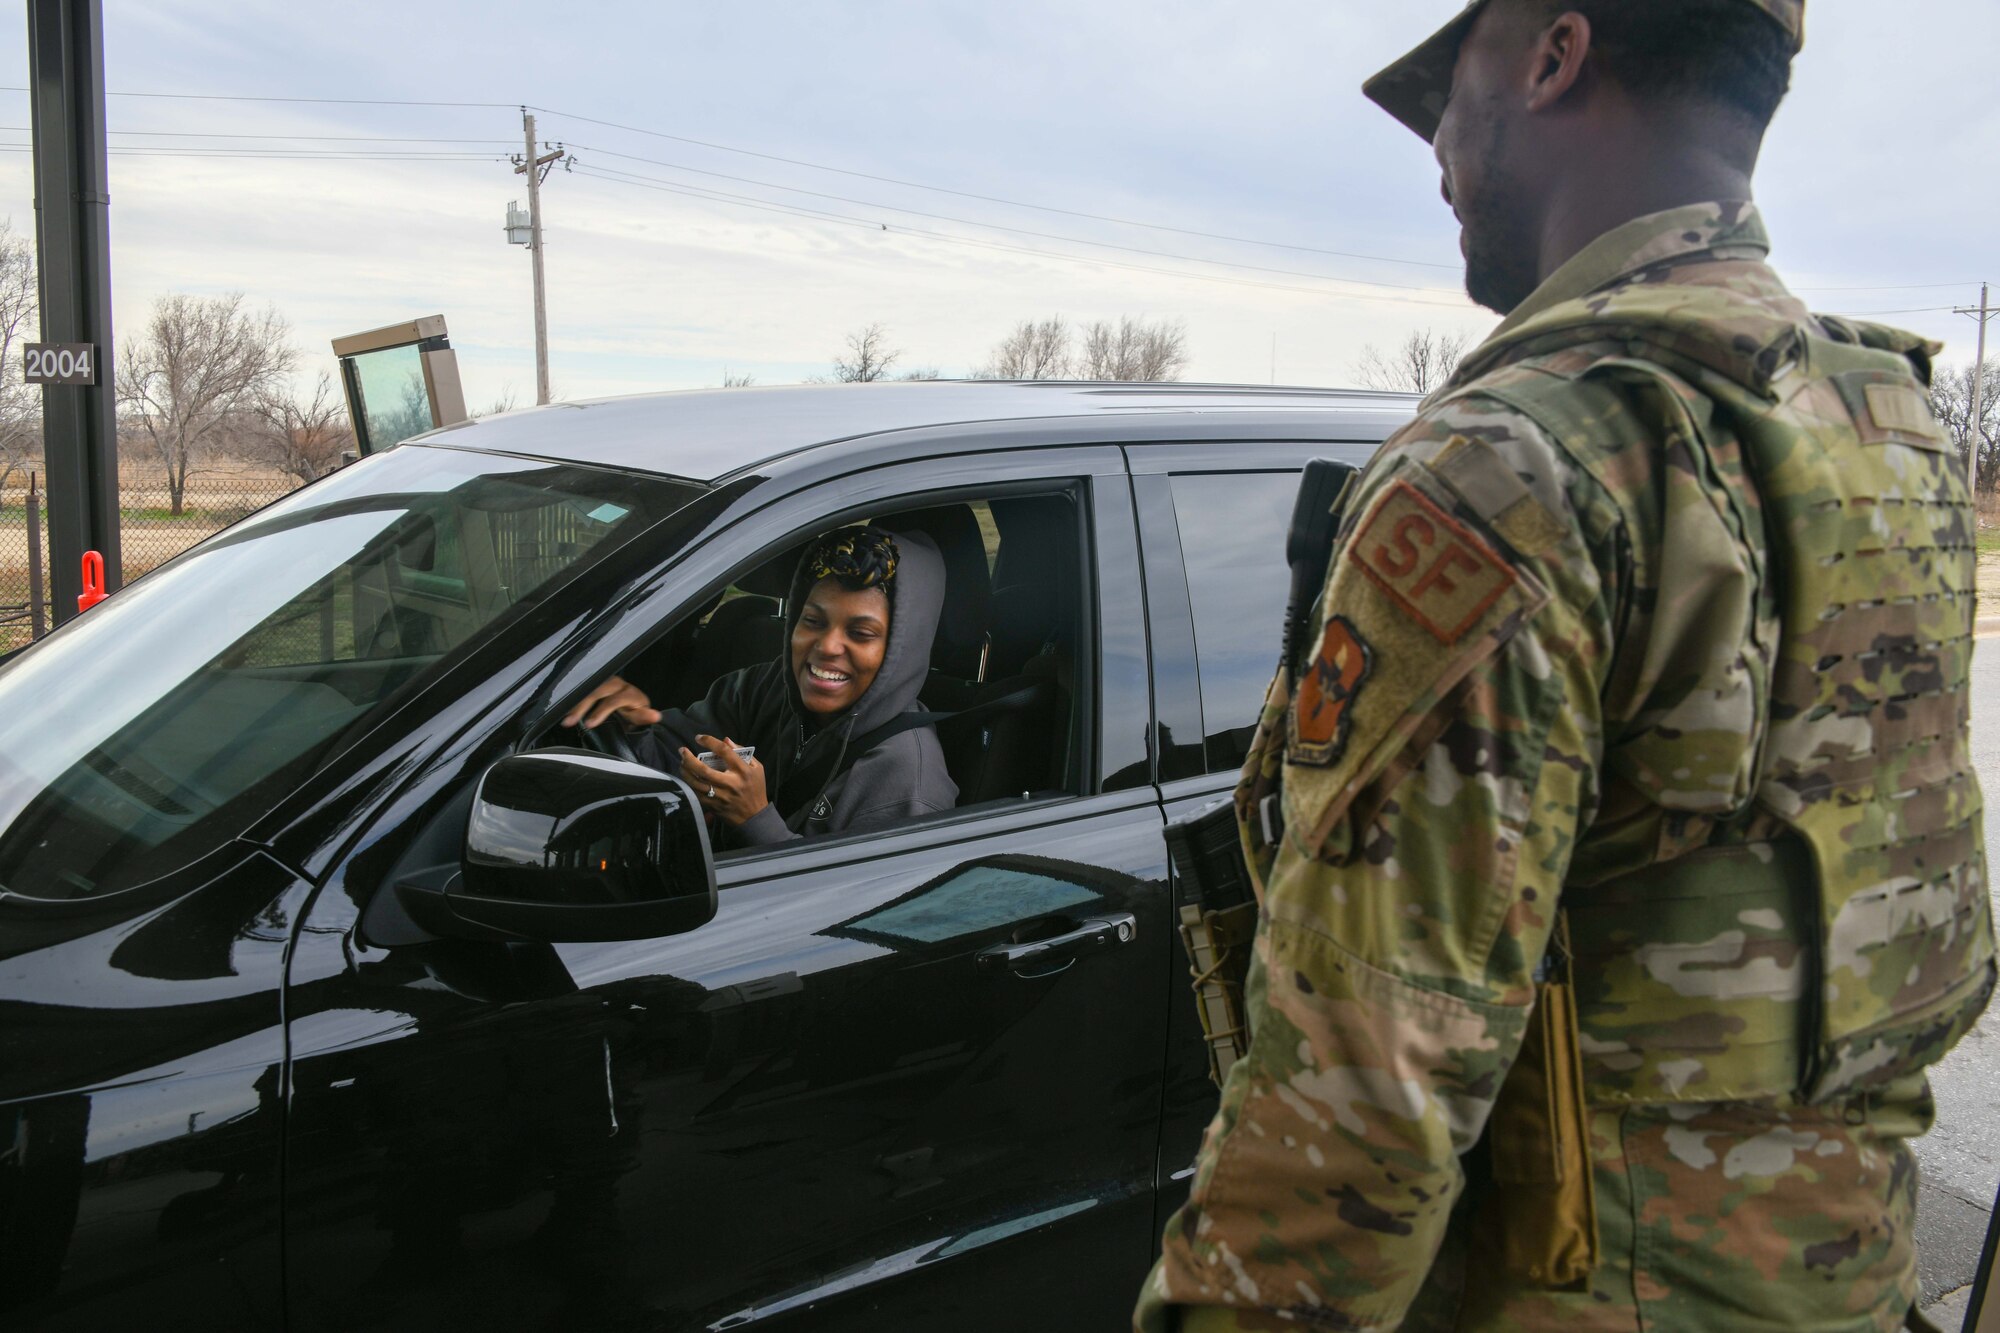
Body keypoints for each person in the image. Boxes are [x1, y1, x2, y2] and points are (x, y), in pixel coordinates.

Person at [1137, 3, 1994, 1331]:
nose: (1438, 152)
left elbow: (1367, 1096)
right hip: (1846, 1281)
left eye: (1452, 86)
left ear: (1551, 55)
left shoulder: (1515, 464)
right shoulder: (1885, 427)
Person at [564, 525, 958, 845]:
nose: (826, 647)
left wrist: (757, 820)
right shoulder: (768, 687)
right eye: (813, 621)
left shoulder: (909, 785)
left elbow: (848, 922)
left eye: (860, 632)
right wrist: (635, 727)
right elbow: (677, 756)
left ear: (899, 649)